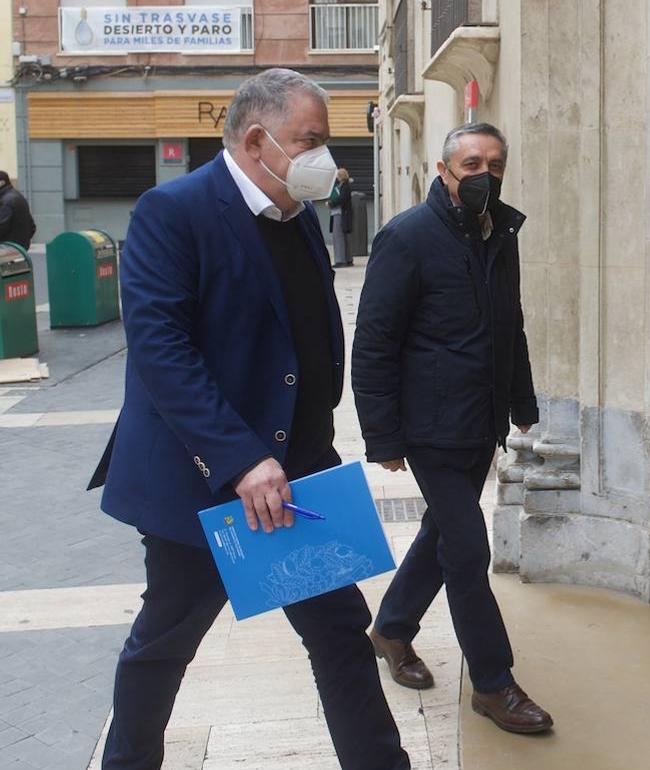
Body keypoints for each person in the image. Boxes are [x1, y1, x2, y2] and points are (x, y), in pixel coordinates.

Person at [87, 68, 410, 770]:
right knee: (165, 644)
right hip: (203, 484)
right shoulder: (171, 212)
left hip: (293, 482)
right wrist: (239, 458)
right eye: (312, 140)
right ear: (259, 139)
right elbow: (160, 351)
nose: (325, 157)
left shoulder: (293, 216)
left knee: (338, 633)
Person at [352, 122, 552, 735]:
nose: (484, 174)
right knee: (467, 551)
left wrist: (522, 402)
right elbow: (374, 342)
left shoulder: (502, 233)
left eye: (494, 163)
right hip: (431, 426)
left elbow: (508, 325)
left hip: (481, 420)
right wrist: (383, 435)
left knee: (444, 534)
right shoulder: (407, 237)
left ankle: (391, 630)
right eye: (471, 163)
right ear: (444, 171)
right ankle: (493, 684)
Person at [0, 171, 36, 249]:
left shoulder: (6, 201)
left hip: (8, 247)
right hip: (20, 246)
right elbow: (32, 227)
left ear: (1, 183)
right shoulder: (18, 196)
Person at [329, 167, 355, 266]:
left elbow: (341, 199)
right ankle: (348, 259)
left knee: (338, 237)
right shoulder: (344, 186)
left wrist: (331, 203)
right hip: (342, 214)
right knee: (345, 237)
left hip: (340, 214)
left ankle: (340, 260)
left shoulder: (344, 187)